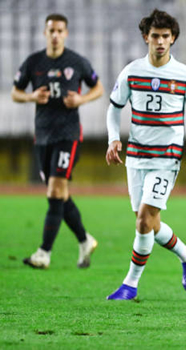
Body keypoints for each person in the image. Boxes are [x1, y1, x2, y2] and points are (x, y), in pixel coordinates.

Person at [105, 9, 186, 300]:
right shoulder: (132, 71)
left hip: (166, 158)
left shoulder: (185, 75)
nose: (160, 41)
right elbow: (114, 108)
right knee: (150, 222)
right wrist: (113, 140)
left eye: (165, 36)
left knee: (143, 220)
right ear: (145, 37)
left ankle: (130, 284)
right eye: (155, 36)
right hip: (136, 158)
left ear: (173, 38)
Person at [12, 13, 104, 269]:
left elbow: (98, 87)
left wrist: (81, 100)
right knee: (59, 193)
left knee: (54, 190)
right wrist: (31, 97)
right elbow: (15, 92)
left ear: (66, 33)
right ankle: (85, 240)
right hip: (42, 135)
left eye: (60, 30)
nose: (55, 35)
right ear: (45, 33)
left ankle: (44, 252)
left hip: (69, 134)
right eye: (51, 30)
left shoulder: (76, 62)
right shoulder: (34, 62)